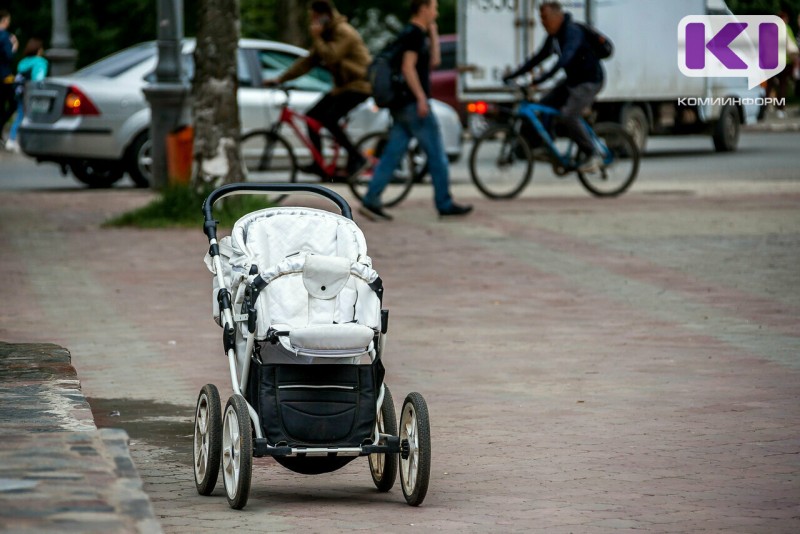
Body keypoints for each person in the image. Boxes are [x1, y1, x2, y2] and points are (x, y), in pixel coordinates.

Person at [359, 0, 472, 221]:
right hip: (412, 104)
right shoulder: (412, 35)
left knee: (393, 154)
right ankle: (444, 203)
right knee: (437, 154)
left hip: (402, 105)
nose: (436, 12)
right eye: (434, 8)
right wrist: (421, 98)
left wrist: (433, 31)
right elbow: (407, 67)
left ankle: (371, 199)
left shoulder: (414, 33)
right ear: (423, 9)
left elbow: (434, 62)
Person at [264, 0, 371, 179]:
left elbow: (331, 56)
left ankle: (358, 157)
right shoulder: (328, 34)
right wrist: (280, 79)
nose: (312, 22)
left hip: (360, 86)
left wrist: (317, 37)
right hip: (343, 87)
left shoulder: (343, 31)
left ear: (325, 17)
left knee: (329, 118)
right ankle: (319, 164)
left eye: (314, 18)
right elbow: (308, 62)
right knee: (311, 116)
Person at [502, 1, 604, 172]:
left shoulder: (572, 32)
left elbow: (564, 60)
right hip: (573, 81)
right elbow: (537, 59)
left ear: (558, 17)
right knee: (544, 104)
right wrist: (512, 75)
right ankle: (547, 145)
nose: (543, 22)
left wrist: (539, 80)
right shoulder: (554, 37)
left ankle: (593, 154)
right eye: (541, 18)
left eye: (545, 18)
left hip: (589, 81)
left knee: (569, 115)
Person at [6, 38, 48, 153]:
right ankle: (33, 142)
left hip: (20, 91)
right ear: (39, 50)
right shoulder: (40, 62)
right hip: (32, 93)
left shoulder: (23, 62)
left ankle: (12, 139)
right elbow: (38, 79)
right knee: (35, 117)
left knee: (20, 116)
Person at [0, 9, 19, 146]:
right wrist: (14, 46)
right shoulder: (5, 36)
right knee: (12, 104)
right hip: (5, 77)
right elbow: (9, 56)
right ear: (5, 20)